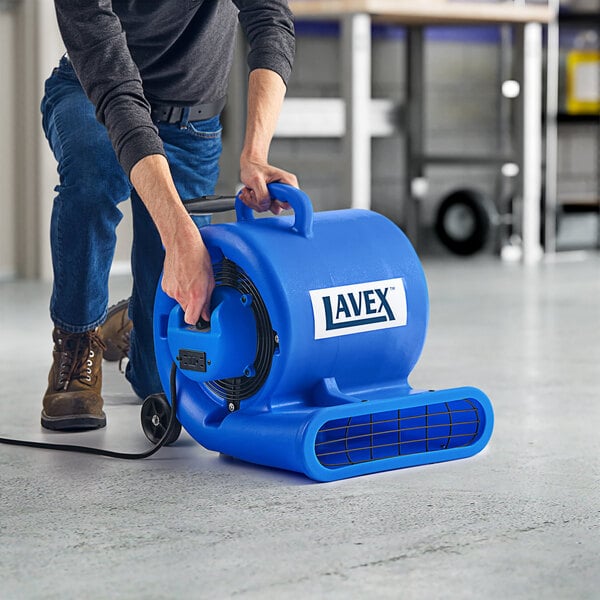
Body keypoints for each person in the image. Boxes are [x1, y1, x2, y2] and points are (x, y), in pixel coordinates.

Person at [40, 0, 297, 431]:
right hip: (95, 97)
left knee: (160, 380)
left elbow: (270, 17)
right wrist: (179, 235)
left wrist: (255, 152)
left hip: (191, 121)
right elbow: (119, 96)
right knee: (92, 178)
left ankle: (133, 326)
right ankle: (78, 340)